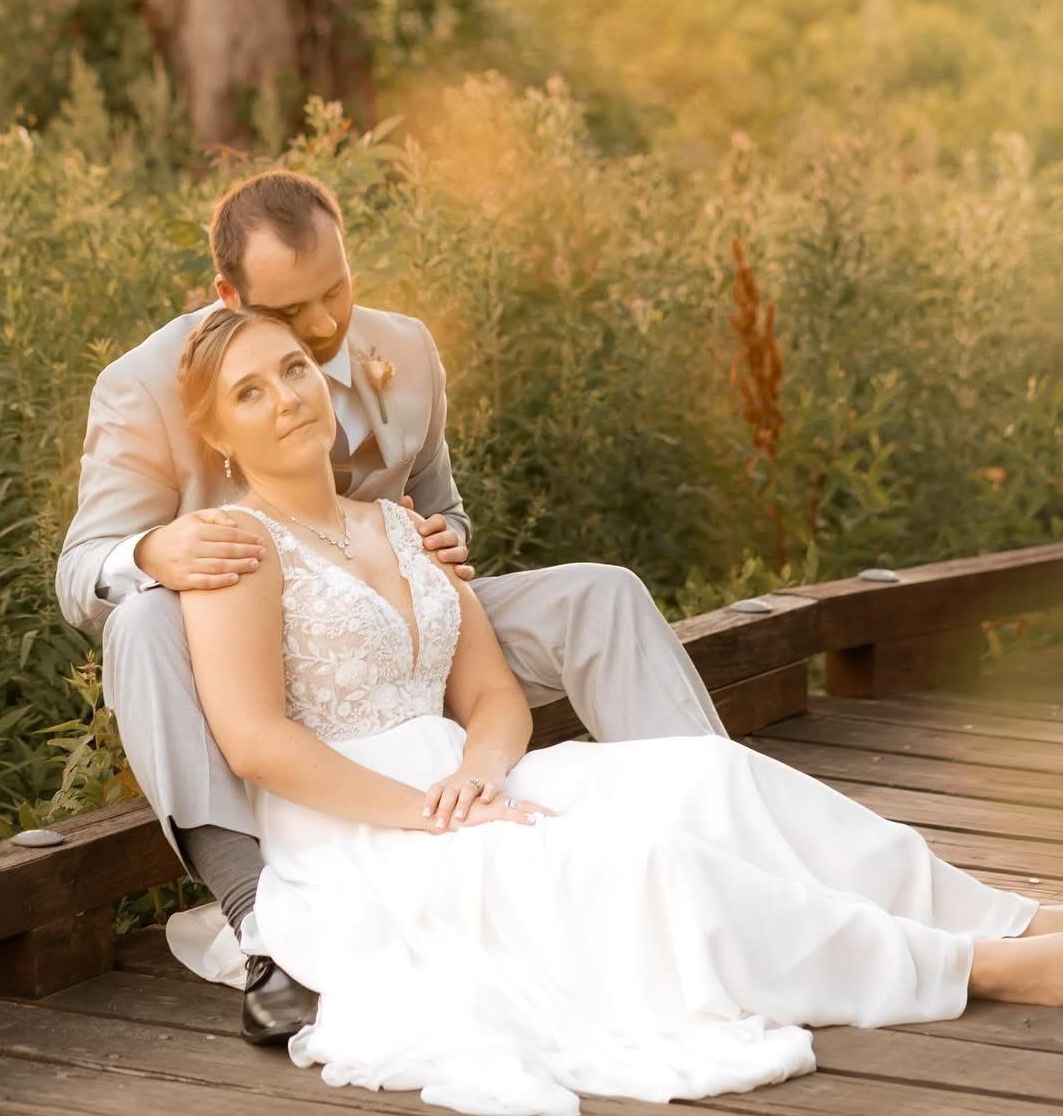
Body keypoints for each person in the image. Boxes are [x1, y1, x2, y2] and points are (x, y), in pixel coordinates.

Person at [175, 303, 1063, 1112]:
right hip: (356, 827)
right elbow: (255, 743)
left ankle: (995, 913)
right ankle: (977, 966)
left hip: (467, 773)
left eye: (294, 369)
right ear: (218, 432)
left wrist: (479, 771)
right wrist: (427, 814)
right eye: (250, 393)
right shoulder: (234, 550)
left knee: (709, 776)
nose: (287, 398)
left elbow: (488, 692)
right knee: (634, 859)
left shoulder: (403, 526)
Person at [55, 170, 727, 1042]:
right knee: (141, 619)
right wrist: (150, 551)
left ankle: (702, 822)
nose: (329, 326)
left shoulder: (404, 348)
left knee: (602, 592)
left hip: (390, 624)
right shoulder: (142, 385)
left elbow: (441, 503)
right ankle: (262, 926)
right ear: (227, 295)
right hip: (245, 652)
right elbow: (79, 575)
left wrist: (444, 536)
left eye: (337, 288)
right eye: (294, 313)